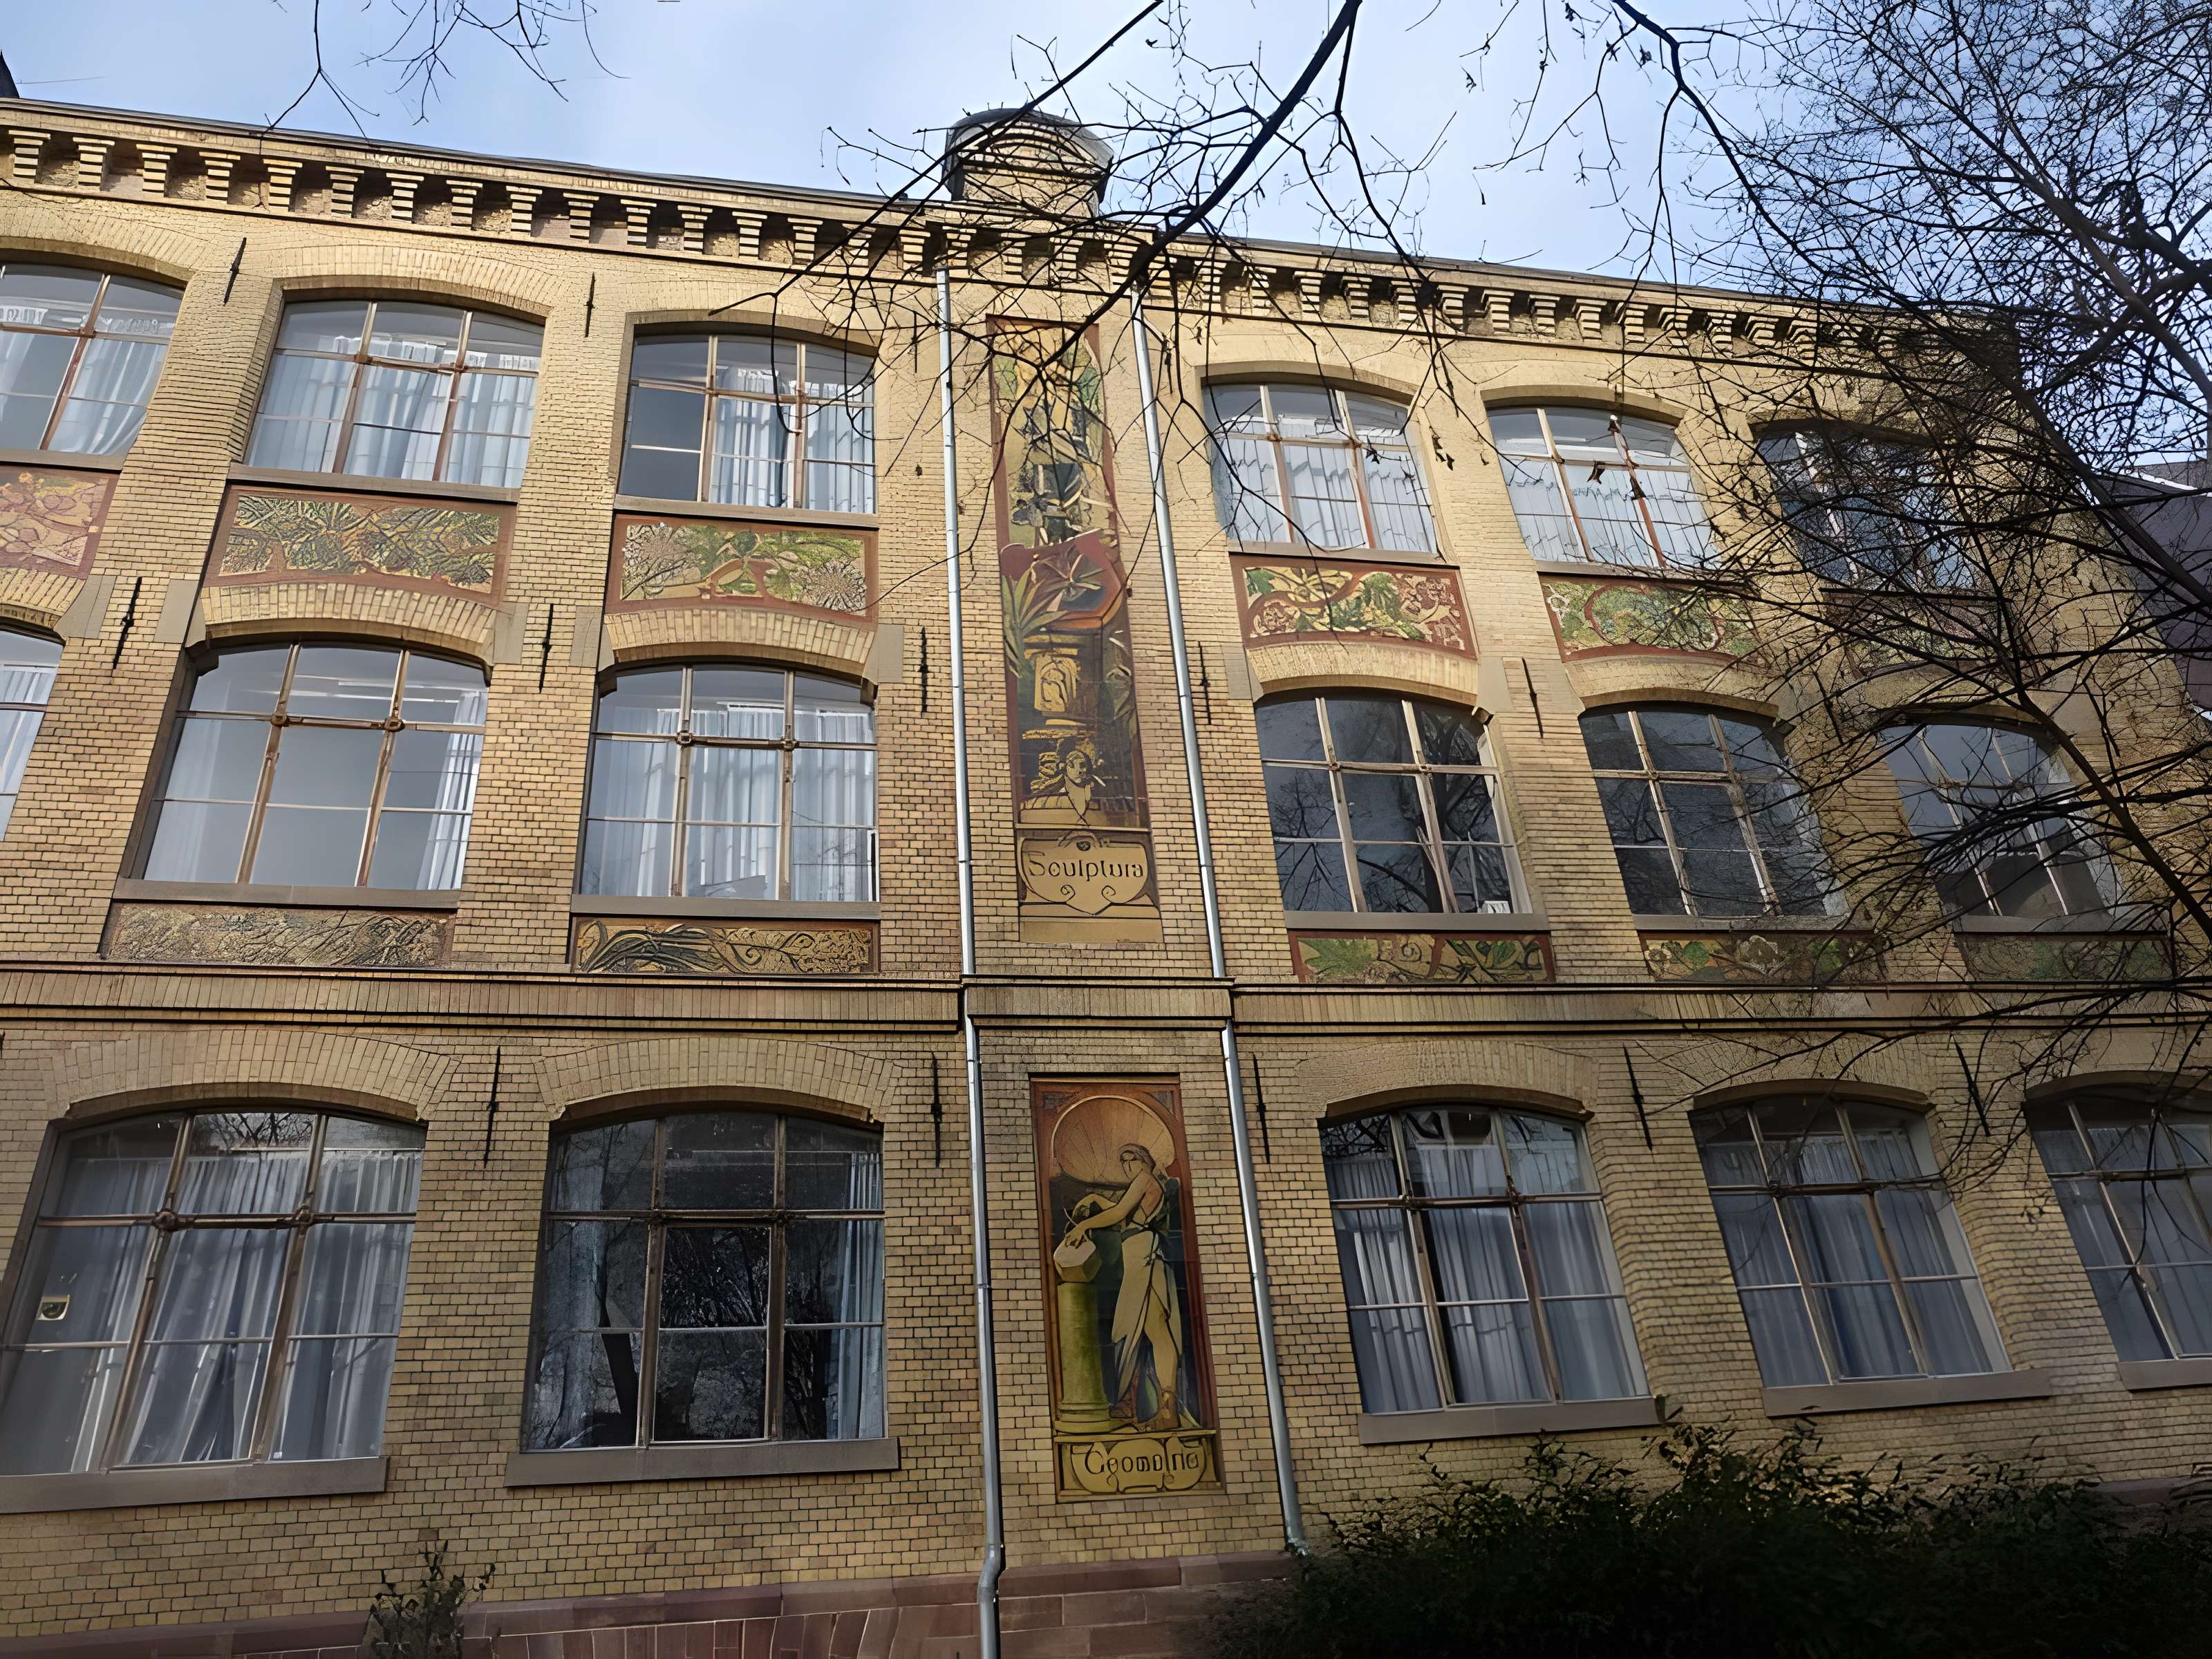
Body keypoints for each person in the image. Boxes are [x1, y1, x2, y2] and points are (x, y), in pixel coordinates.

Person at [1061, 1143, 1184, 1432]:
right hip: (1139, 1255)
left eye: (1133, 1159)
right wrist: (1093, 1198)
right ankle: (1150, 1406)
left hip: (1144, 1253)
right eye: (1123, 1160)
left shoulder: (1144, 1180)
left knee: (1134, 1327)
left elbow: (1119, 1214)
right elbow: (1121, 1211)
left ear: (1146, 1161)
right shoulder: (1142, 1184)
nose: (1128, 1165)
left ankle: (1159, 1408)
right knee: (1152, 1328)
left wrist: (1083, 1226)